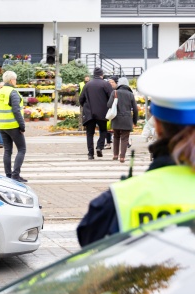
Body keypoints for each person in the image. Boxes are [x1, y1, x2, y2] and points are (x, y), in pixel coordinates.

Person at [77, 60, 195, 247]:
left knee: (112, 138)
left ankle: (107, 153)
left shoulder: (124, 197)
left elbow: (88, 241)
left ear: (157, 126)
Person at [0, 71, 27, 182]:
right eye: (15, 79)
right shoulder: (13, 92)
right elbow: (16, 110)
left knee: (7, 151)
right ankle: (15, 175)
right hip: (13, 125)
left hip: (2, 125)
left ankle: (8, 175)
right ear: (11, 80)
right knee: (22, 149)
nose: (16, 81)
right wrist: (22, 126)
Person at [79, 67, 113, 160]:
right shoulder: (106, 84)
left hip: (89, 113)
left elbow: (81, 99)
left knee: (89, 133)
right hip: (102, 112)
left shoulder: (87, 85)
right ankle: (99, 146)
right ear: (102, 75)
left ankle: (90, 154)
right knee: (103, 131)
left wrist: (86, 107)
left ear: (93, 75)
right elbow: (112, 97)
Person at [106, 77, 138, 163]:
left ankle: (115, 155)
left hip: (116, 119)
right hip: (127, 119)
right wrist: (134, 121)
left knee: (116, 137)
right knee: (125, 138)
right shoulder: (130, 94)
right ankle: (122, 157)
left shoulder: (115, 92)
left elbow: (109, 104)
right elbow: (135, 109)